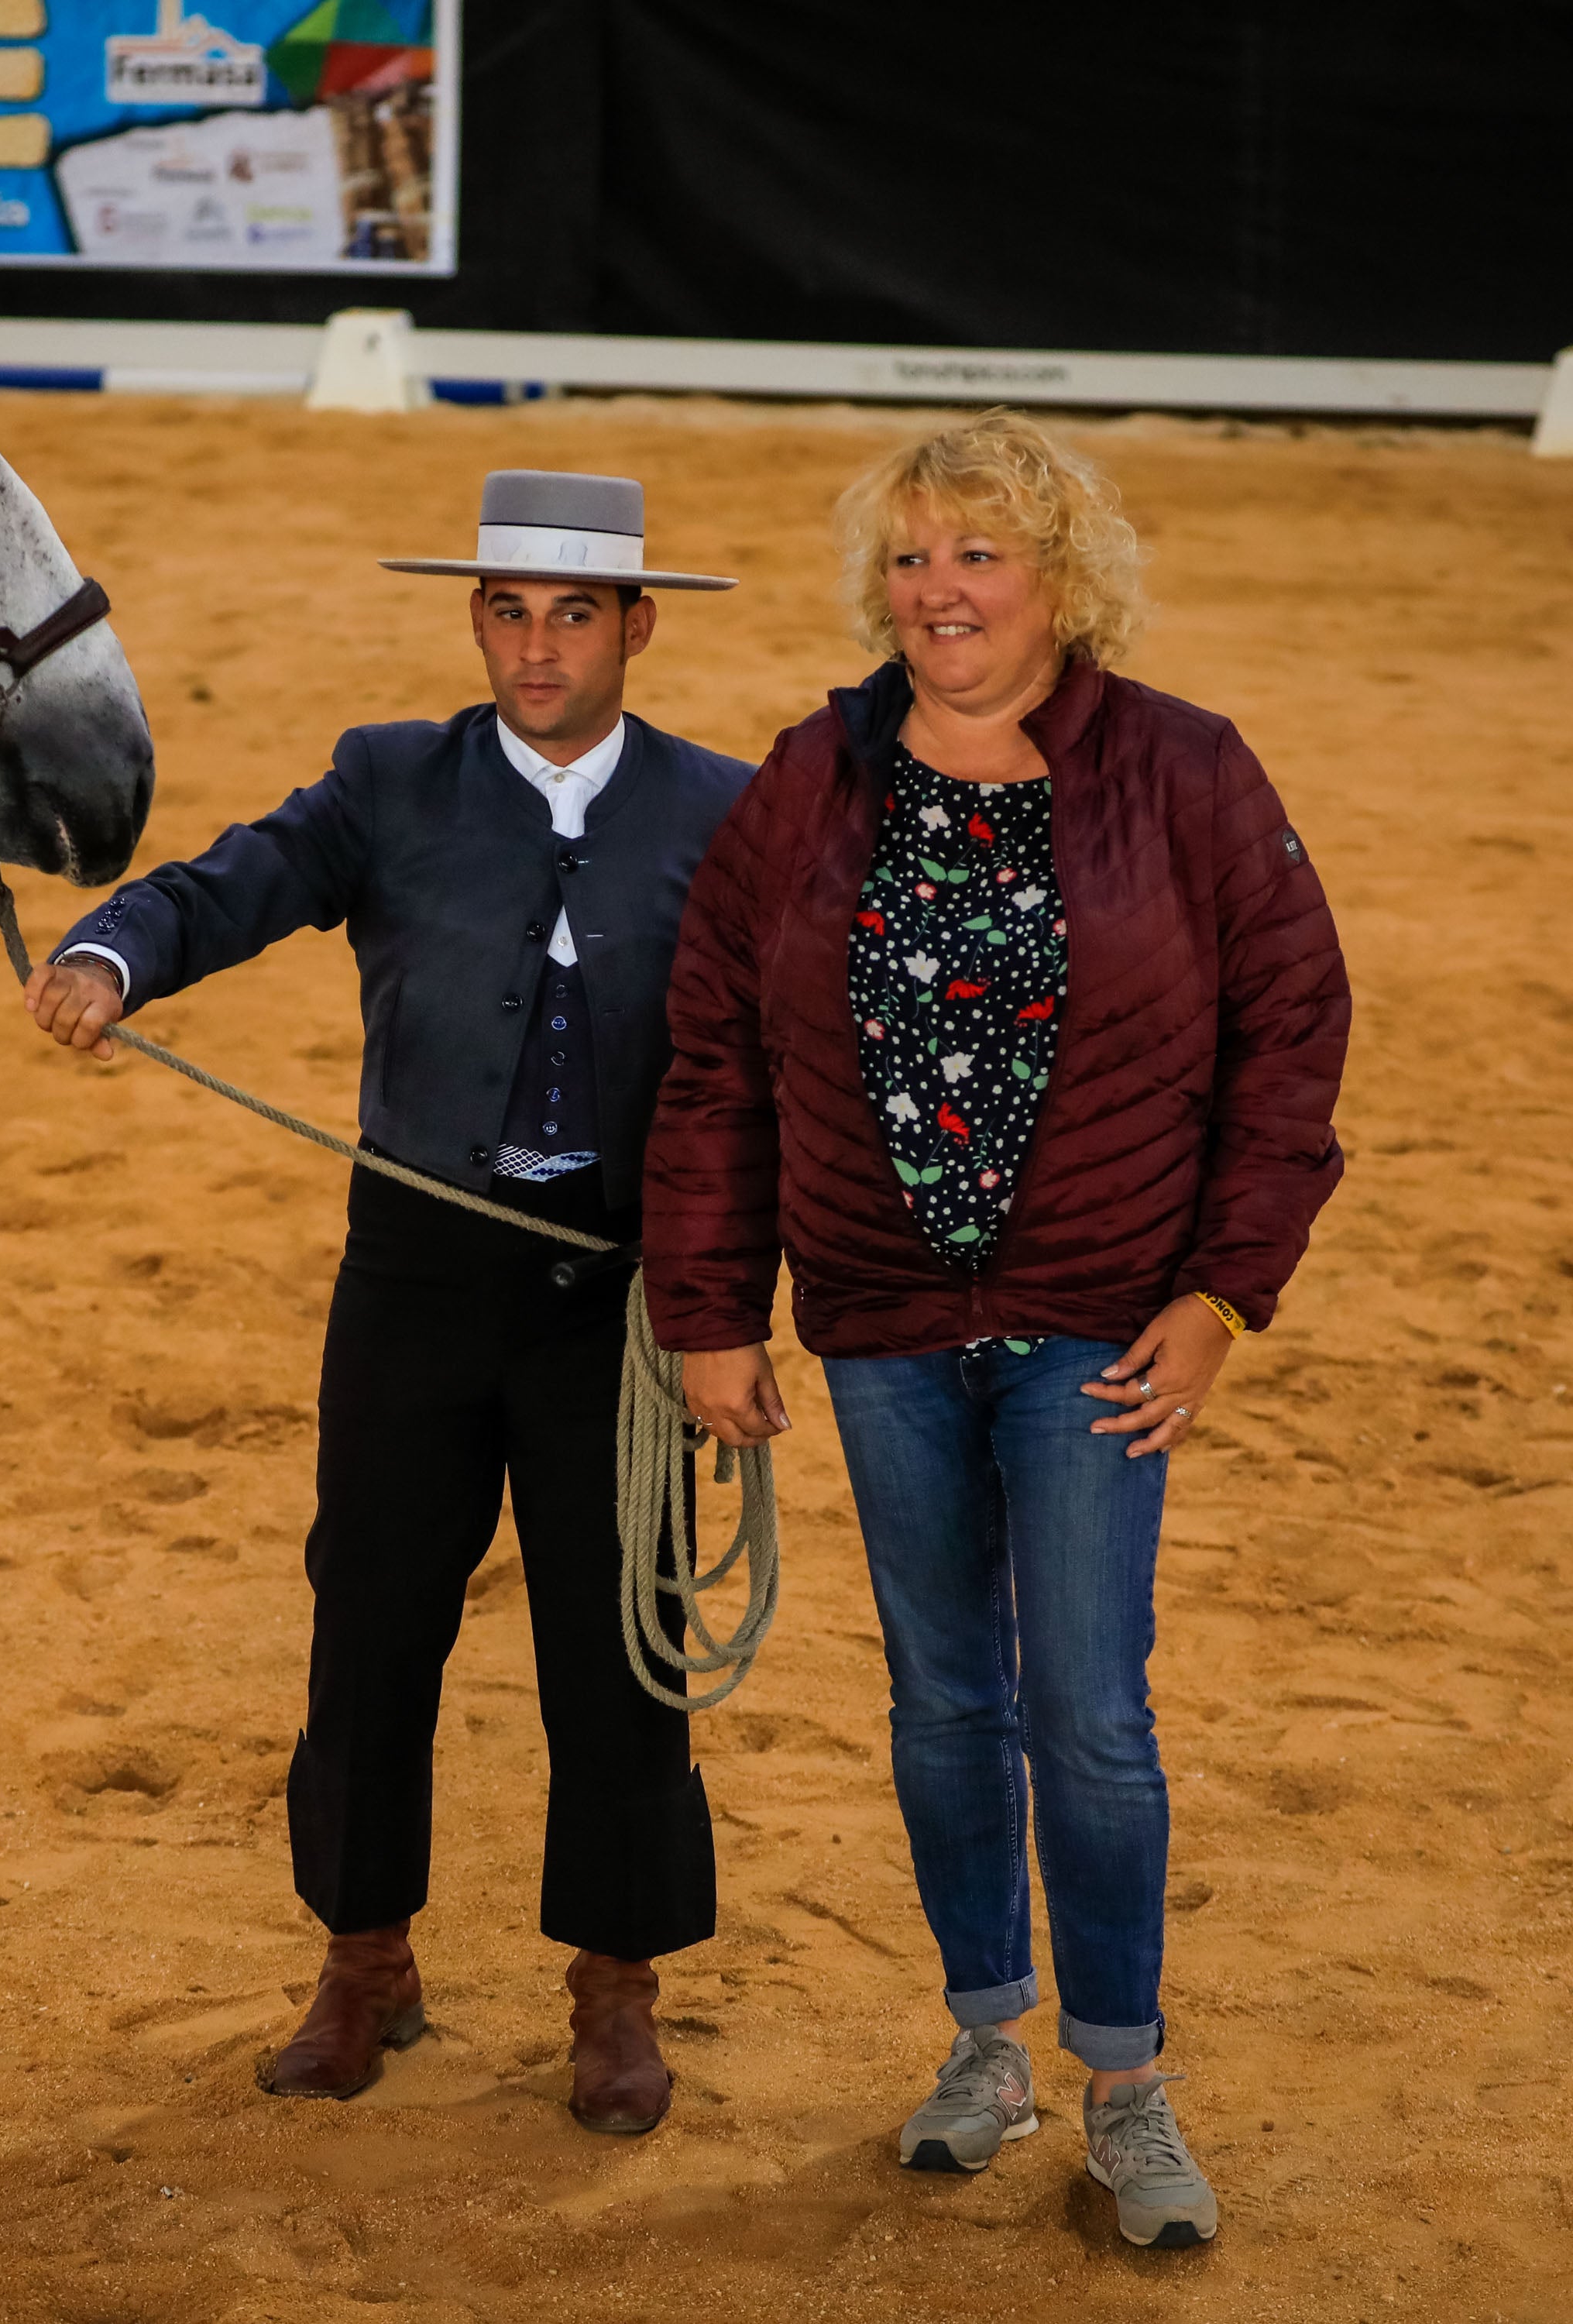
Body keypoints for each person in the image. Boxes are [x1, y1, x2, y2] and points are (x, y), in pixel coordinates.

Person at [641, 411, 1348, 2247]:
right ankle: (982, 2041)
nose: (937, 592)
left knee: (1089, 1713)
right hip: (878, 1322)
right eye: (910, 557)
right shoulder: (809, 779)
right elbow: (713, 1055)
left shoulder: (1187, 773)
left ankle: (1125, 2077)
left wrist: (1219, 1297)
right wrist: (710, 1312)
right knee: (945, 1703)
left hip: (1098, 1329)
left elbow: (1292, 1042)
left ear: (1061, 581)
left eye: (977, 556)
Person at [26, 470, 747, 2133]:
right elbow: (228, 882)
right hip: (417, 1283)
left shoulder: (731, 807)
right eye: (509, 609)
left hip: (620, 1303)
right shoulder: (390, 780)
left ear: (638, 628)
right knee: (370, 1622)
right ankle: (367, 1961)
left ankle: (614, 1988)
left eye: (576, 613)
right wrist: (114, 954)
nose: (539, 645)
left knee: (619, 1645)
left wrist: (736, 1294)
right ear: (474, 620)